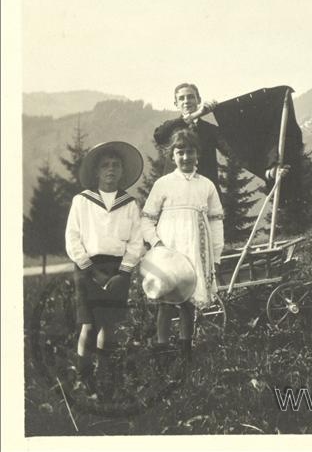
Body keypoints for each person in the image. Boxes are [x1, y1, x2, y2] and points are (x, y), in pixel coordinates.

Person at [65, 141, 144, 397]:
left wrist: (124, 273)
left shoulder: (129, 204)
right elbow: (73, 238)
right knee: (89, 324)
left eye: (116, 165)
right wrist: (90, 269)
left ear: (122, 172)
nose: (111, 169)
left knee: (109, 325)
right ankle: (83, 376)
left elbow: (136, 240)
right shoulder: (82, 201)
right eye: (105, 165)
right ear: (97, 172)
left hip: (117, 269)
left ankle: (105, 373)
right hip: (87, 268)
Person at [141, 129, 224, 362]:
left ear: (198, 155)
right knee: (166, 302)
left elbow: (217, 222)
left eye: (190, 152)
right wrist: (157, 243)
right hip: (169, 248)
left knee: (188, 302)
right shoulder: (163, 184)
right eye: (180, 152)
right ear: (172, 156)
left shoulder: (206, 185)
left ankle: (186, 351)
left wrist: (215, 254)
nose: (186, 157)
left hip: (196, 248)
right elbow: (146, 219)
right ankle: (162, 351)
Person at [153, 83, 282, 192]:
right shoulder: (171, 128)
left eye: (190, 97)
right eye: (182, 98)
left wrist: (266, 170)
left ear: (198, 100)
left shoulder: (211, 130)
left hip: (205, 193)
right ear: (176, 104)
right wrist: (193, 116)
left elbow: (235, 152)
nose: (186, 101)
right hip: (175, 192)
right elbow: (159, 136)